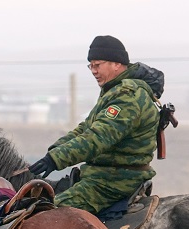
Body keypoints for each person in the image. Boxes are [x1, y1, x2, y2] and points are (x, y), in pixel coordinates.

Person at [28, 35, 164, 216]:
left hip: (113, 181)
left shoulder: (128, 96)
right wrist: (54, 151)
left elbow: (98, 137)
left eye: (97, 65)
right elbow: (86, 128)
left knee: (46, 216)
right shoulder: (113, 91)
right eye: (90, 65)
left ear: (116, 64)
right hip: (100, 175)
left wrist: (56, 159)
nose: (93, 70)